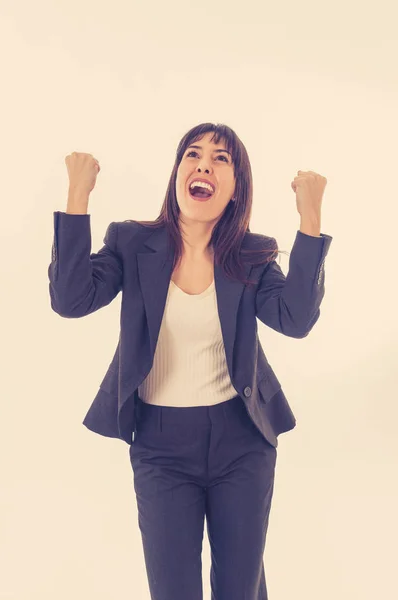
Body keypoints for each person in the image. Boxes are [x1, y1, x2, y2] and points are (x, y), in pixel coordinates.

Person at [48, 123, 332, 600]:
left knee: (239, 590)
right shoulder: (132, 242)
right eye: (193, 154)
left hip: (241, 440)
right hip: (161, 446)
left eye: (221, 159)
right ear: (178, 172)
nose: (204, 164)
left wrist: (310, 219)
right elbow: (71, 299)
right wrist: (78, 197)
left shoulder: (252, 253)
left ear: (236, 187)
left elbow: (295, 318)